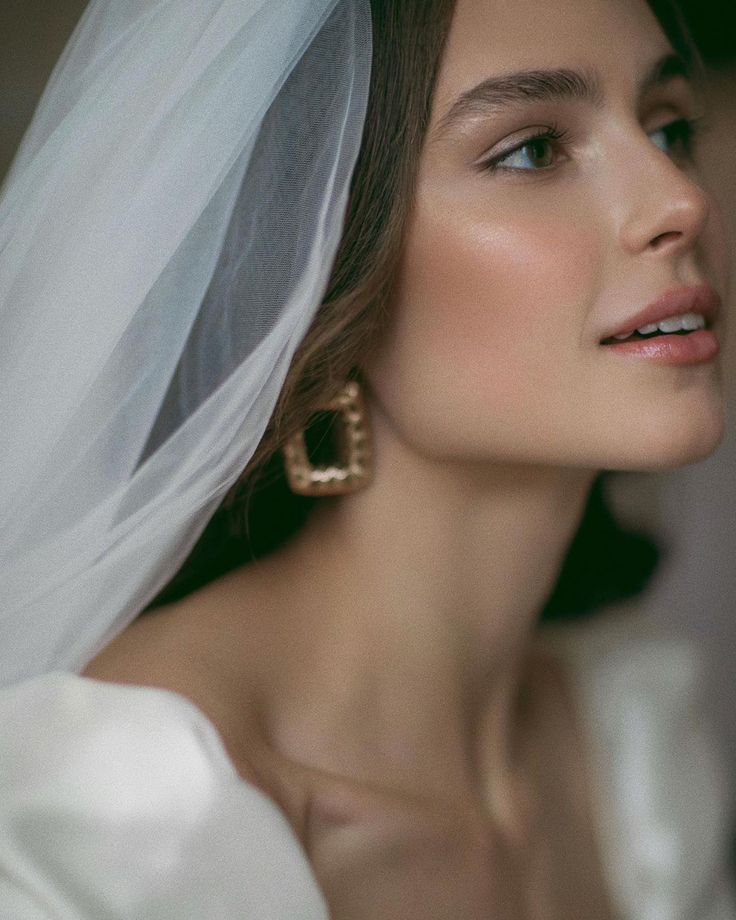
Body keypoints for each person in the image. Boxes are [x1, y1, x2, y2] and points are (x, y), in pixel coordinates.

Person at [0, 0, 734, 917]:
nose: (682, 199)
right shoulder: (121, 818)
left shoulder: (629, 739)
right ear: (316, 256)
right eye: (534, 150)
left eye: (668, 126)